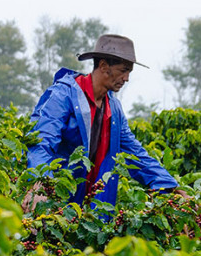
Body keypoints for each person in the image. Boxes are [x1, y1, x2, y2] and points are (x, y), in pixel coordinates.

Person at [23, 34, 184, 214]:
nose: (126, 78)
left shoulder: (113, 108)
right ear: (103, 66)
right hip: (54, 199)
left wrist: (169, 186)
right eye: (123, 70)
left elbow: (135, 153)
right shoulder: (63, 95)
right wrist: (40, 182)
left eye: (129, 72)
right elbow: (41, 142)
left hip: (90, 206)